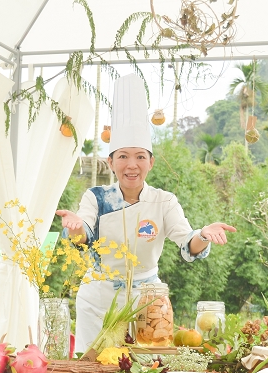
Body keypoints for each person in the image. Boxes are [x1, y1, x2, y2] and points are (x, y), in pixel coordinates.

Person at [56, 74, 236, 353]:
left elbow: (188, 244)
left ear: (151, 162)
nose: (132, 165)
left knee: (143, 364)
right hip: (98, 296)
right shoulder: (97, 197)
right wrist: (76, 227)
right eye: (123, 156)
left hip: (147, 299)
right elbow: (84, 235)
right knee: (91, 365)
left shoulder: (164, 201)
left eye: (140, 156)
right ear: (110, 161)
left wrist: (204, 235)